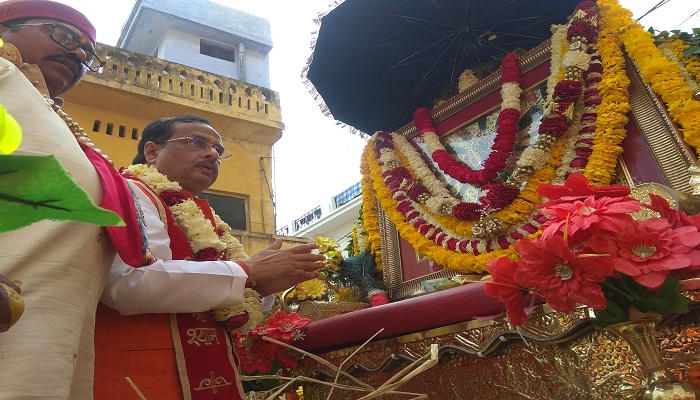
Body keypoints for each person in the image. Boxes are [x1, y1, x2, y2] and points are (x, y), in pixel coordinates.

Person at [94, 114, 325, 400]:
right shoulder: (127, 192)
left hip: (213, 371)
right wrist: (247, 271)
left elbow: (218, 291)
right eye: (197, 142)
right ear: (152, 151)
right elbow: (128, 282)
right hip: (144, 376)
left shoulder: (202, 214)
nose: (212, 153)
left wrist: (260, 284)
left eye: (218, 150)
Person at [0, 1, 151, 398]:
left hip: (52, 332)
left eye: (88, 52)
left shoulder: (49, 110)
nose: (80, 54)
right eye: (64, 36)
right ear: (6, 29)